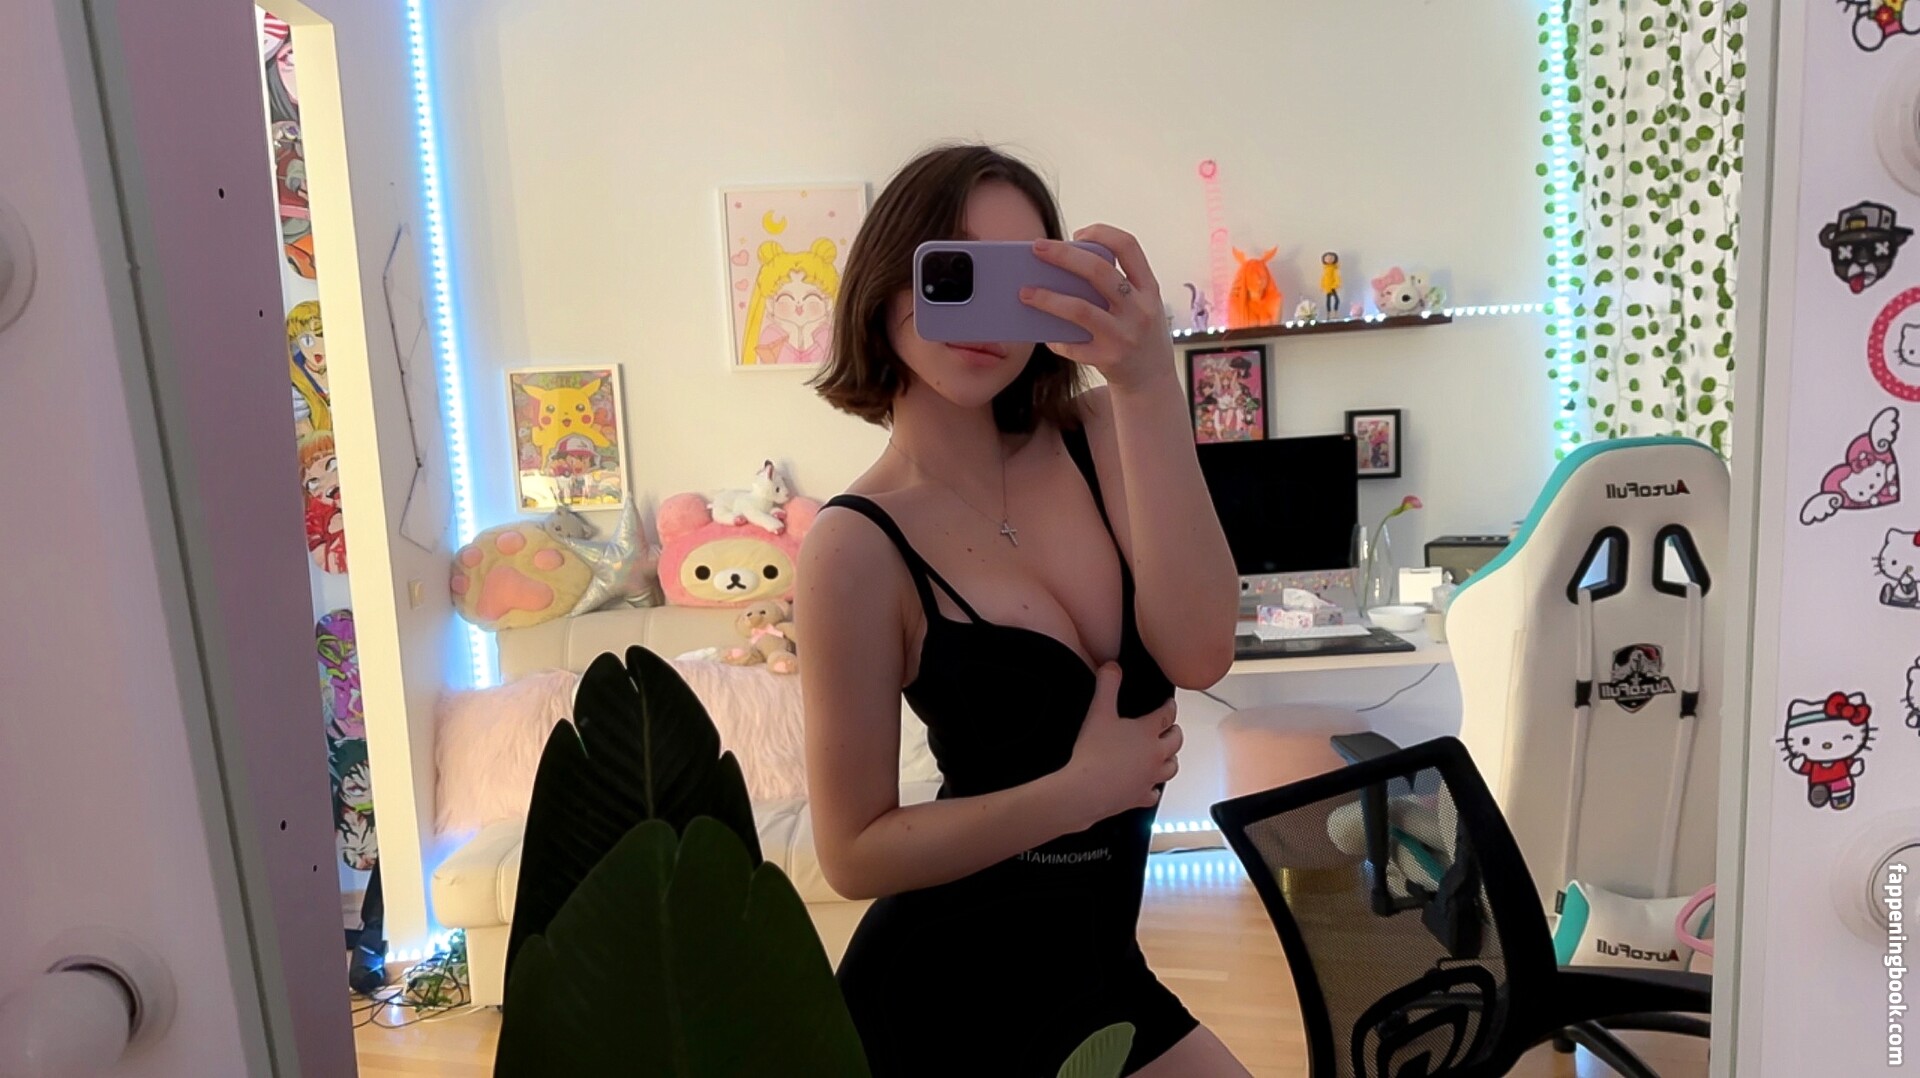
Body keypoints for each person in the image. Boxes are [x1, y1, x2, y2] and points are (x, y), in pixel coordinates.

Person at [799, 145, 1244, 1076]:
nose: (986, 315)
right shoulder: (855, 545)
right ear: (885, 285)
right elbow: (853, 853)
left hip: (1103, 977)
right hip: (935, 1011)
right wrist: (1079, 793)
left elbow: (1201, 651)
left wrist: (1148, 381)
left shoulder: (1103, 433)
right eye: (953, 270)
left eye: (1019, 278)